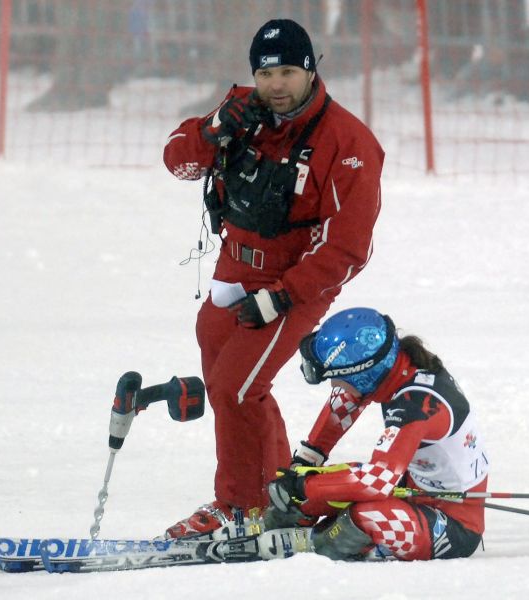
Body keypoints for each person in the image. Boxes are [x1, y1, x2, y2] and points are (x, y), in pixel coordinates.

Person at [162, 19, 384, 538]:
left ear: (310, 71)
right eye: (266, 73)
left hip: (294, 281)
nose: (275, 85)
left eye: (287, 72)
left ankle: (237, 508)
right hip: (233, 267)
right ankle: (281, 497)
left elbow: (349, 247)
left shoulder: (349, 141)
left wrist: (283, 296)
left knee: (236, 388)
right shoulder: (240, 112)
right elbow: (178, 163)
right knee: (232, 383)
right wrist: (214, 129)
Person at [264, 307, 490, 561]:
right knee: (327, 485)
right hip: (413, 489)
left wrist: (304, 485)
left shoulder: (414, 405)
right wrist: (306, 462)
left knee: (364, 513)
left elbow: (377, 481)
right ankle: (293, 522)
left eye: (337, 379)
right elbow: (346, 402)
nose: (334, 386)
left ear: (365, 375)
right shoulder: (396, 366)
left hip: (454, 524)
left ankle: (316, 544)